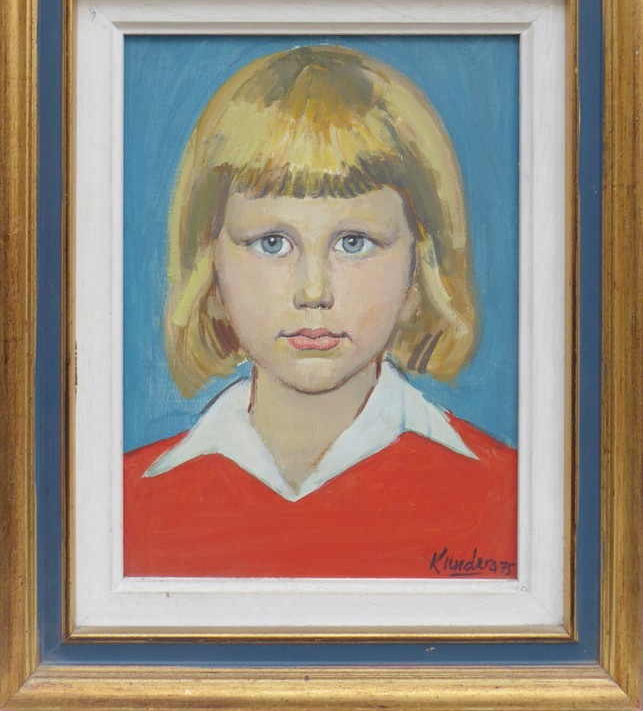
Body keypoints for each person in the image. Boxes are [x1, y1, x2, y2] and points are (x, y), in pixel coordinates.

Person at [123, 45, 517, 579]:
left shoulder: (509, 498)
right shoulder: (122, 505)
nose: (313, 291)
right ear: (210, 271)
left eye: (354, 242)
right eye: (272, 243)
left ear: (418, 273)